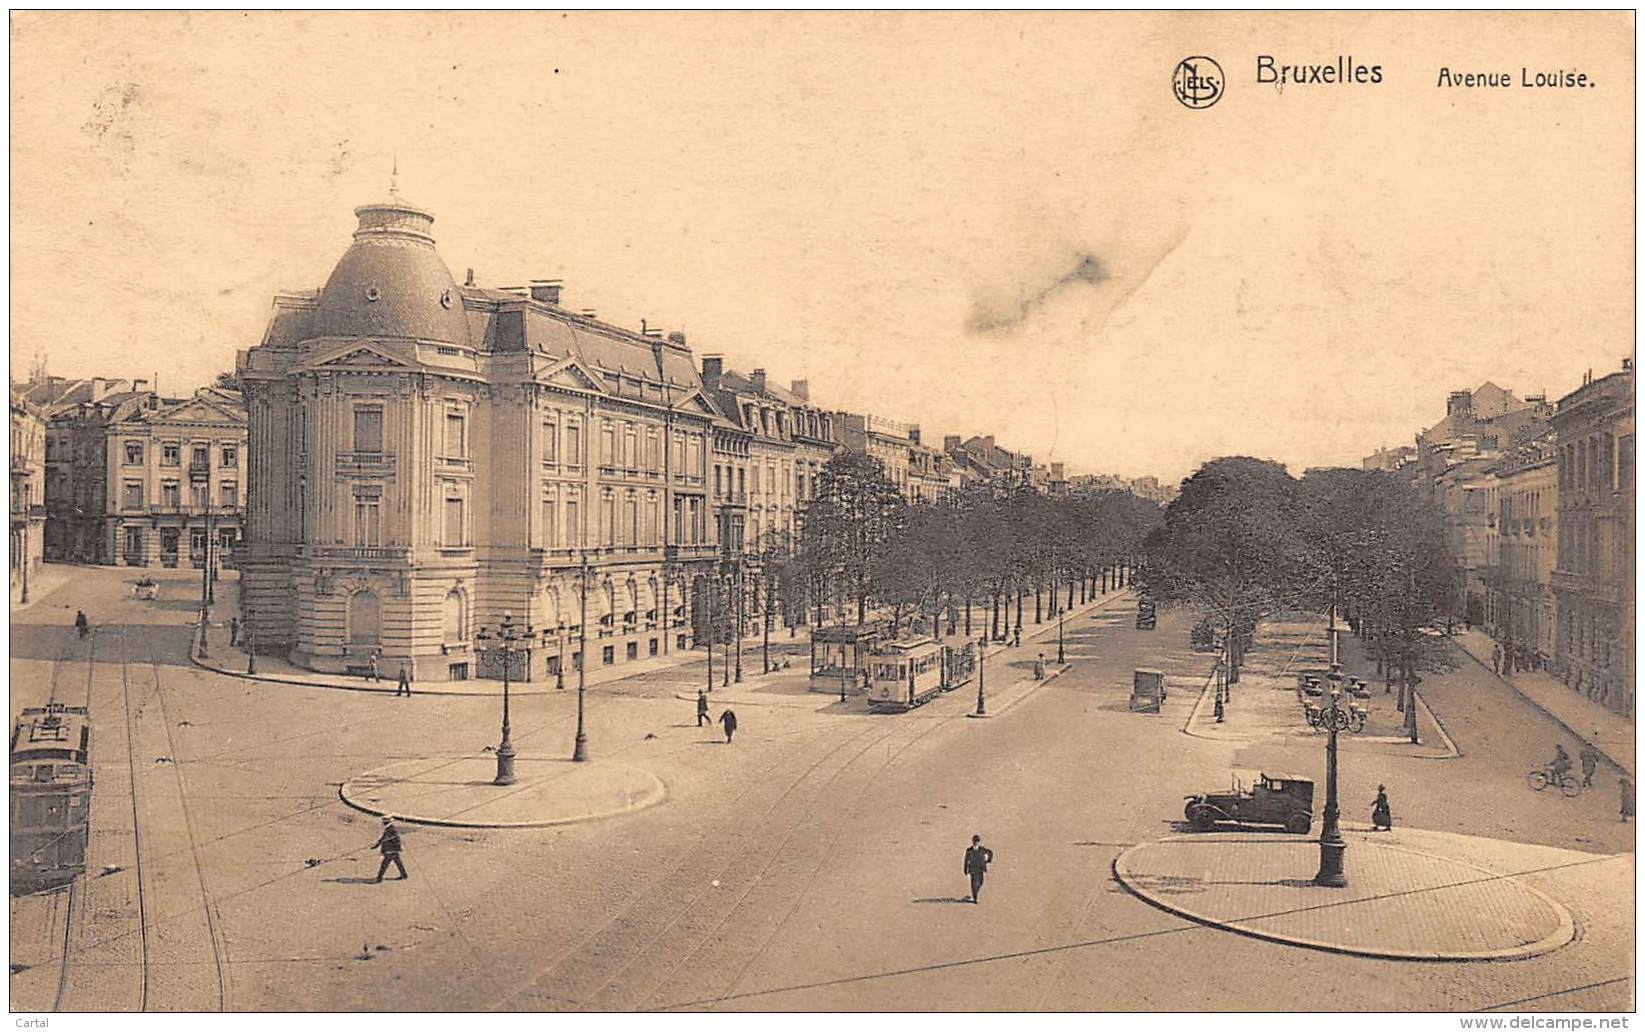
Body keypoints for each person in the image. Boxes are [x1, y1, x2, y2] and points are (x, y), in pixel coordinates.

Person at [370, 816, 408, 882]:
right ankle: (404, 875)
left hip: (391, 849)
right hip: (393, 849)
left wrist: (377, 845)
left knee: (384, 864)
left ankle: (379, 879)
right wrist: (377, 844)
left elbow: (385, 839)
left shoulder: (391, 829)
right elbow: (383, 838)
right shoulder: (389, 828)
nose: (383, 823)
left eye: (384, 822)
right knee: (398, 862)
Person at [963, 835, 994, 904]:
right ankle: (975, 898)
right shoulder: (969, 850)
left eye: (977, 841)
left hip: (980, 868)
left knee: (980, 882)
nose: (976, 843)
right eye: (975, 841)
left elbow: (990, 853)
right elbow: (966, 860)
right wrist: (965, 868)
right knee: (973, 883)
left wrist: (988, 860)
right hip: (973, 869)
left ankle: (975, 893)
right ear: (973, 842)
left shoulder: (982, 849)